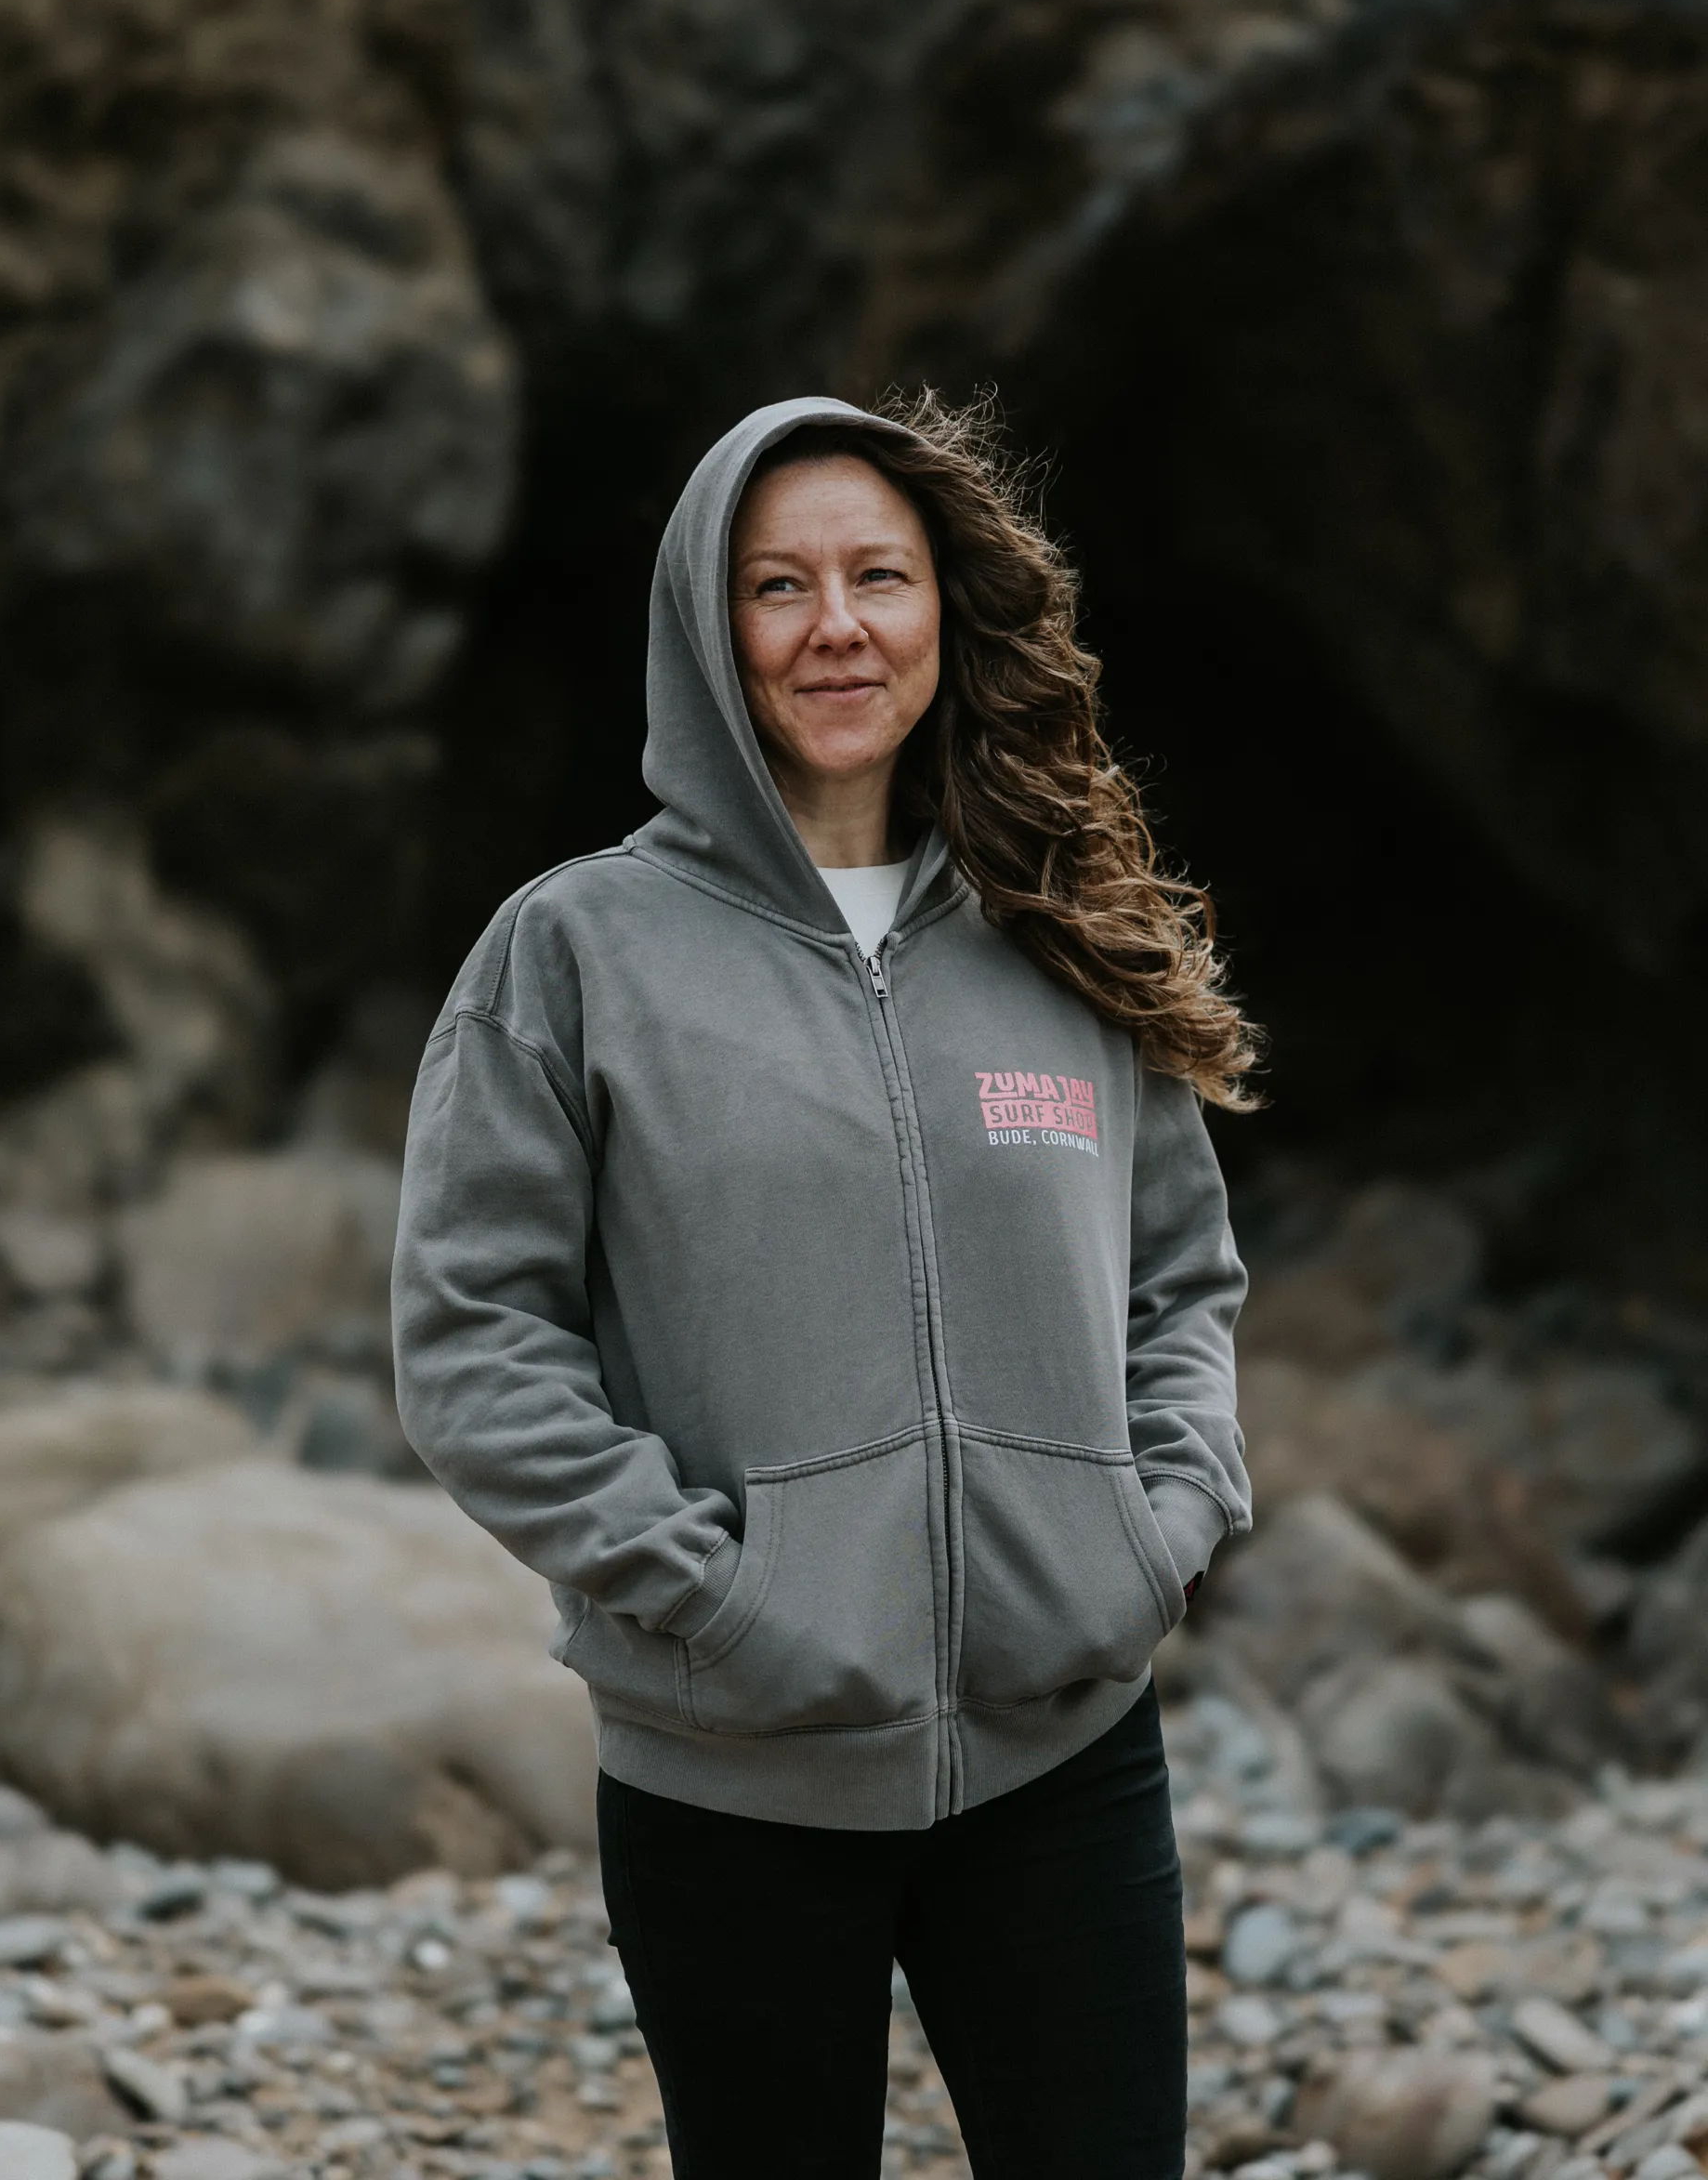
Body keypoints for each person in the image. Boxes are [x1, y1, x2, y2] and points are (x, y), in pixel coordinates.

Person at [392, 392, 1258, 2179]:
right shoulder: (575, 953)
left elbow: (1182, 1279)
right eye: (778, 586)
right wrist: (711, 1599)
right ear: (706, 631)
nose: (836, 626)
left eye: (879, 575)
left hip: (1066, 1753)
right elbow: (475, 1339)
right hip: (735, 1769)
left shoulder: (1059, 927)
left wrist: (1160, 1525)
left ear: (945, 608)